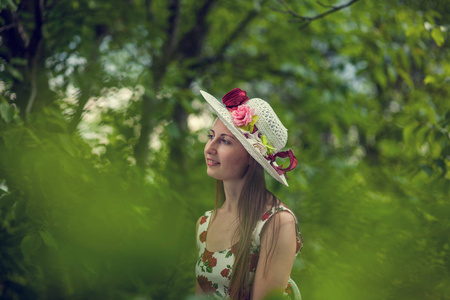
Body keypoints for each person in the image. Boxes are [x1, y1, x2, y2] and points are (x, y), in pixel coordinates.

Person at [195, 88, 303, 300]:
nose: (210, 148)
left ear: (250, 157)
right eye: (211, 136)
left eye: (224, 141)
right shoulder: (204, 224)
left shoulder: (277, 223)